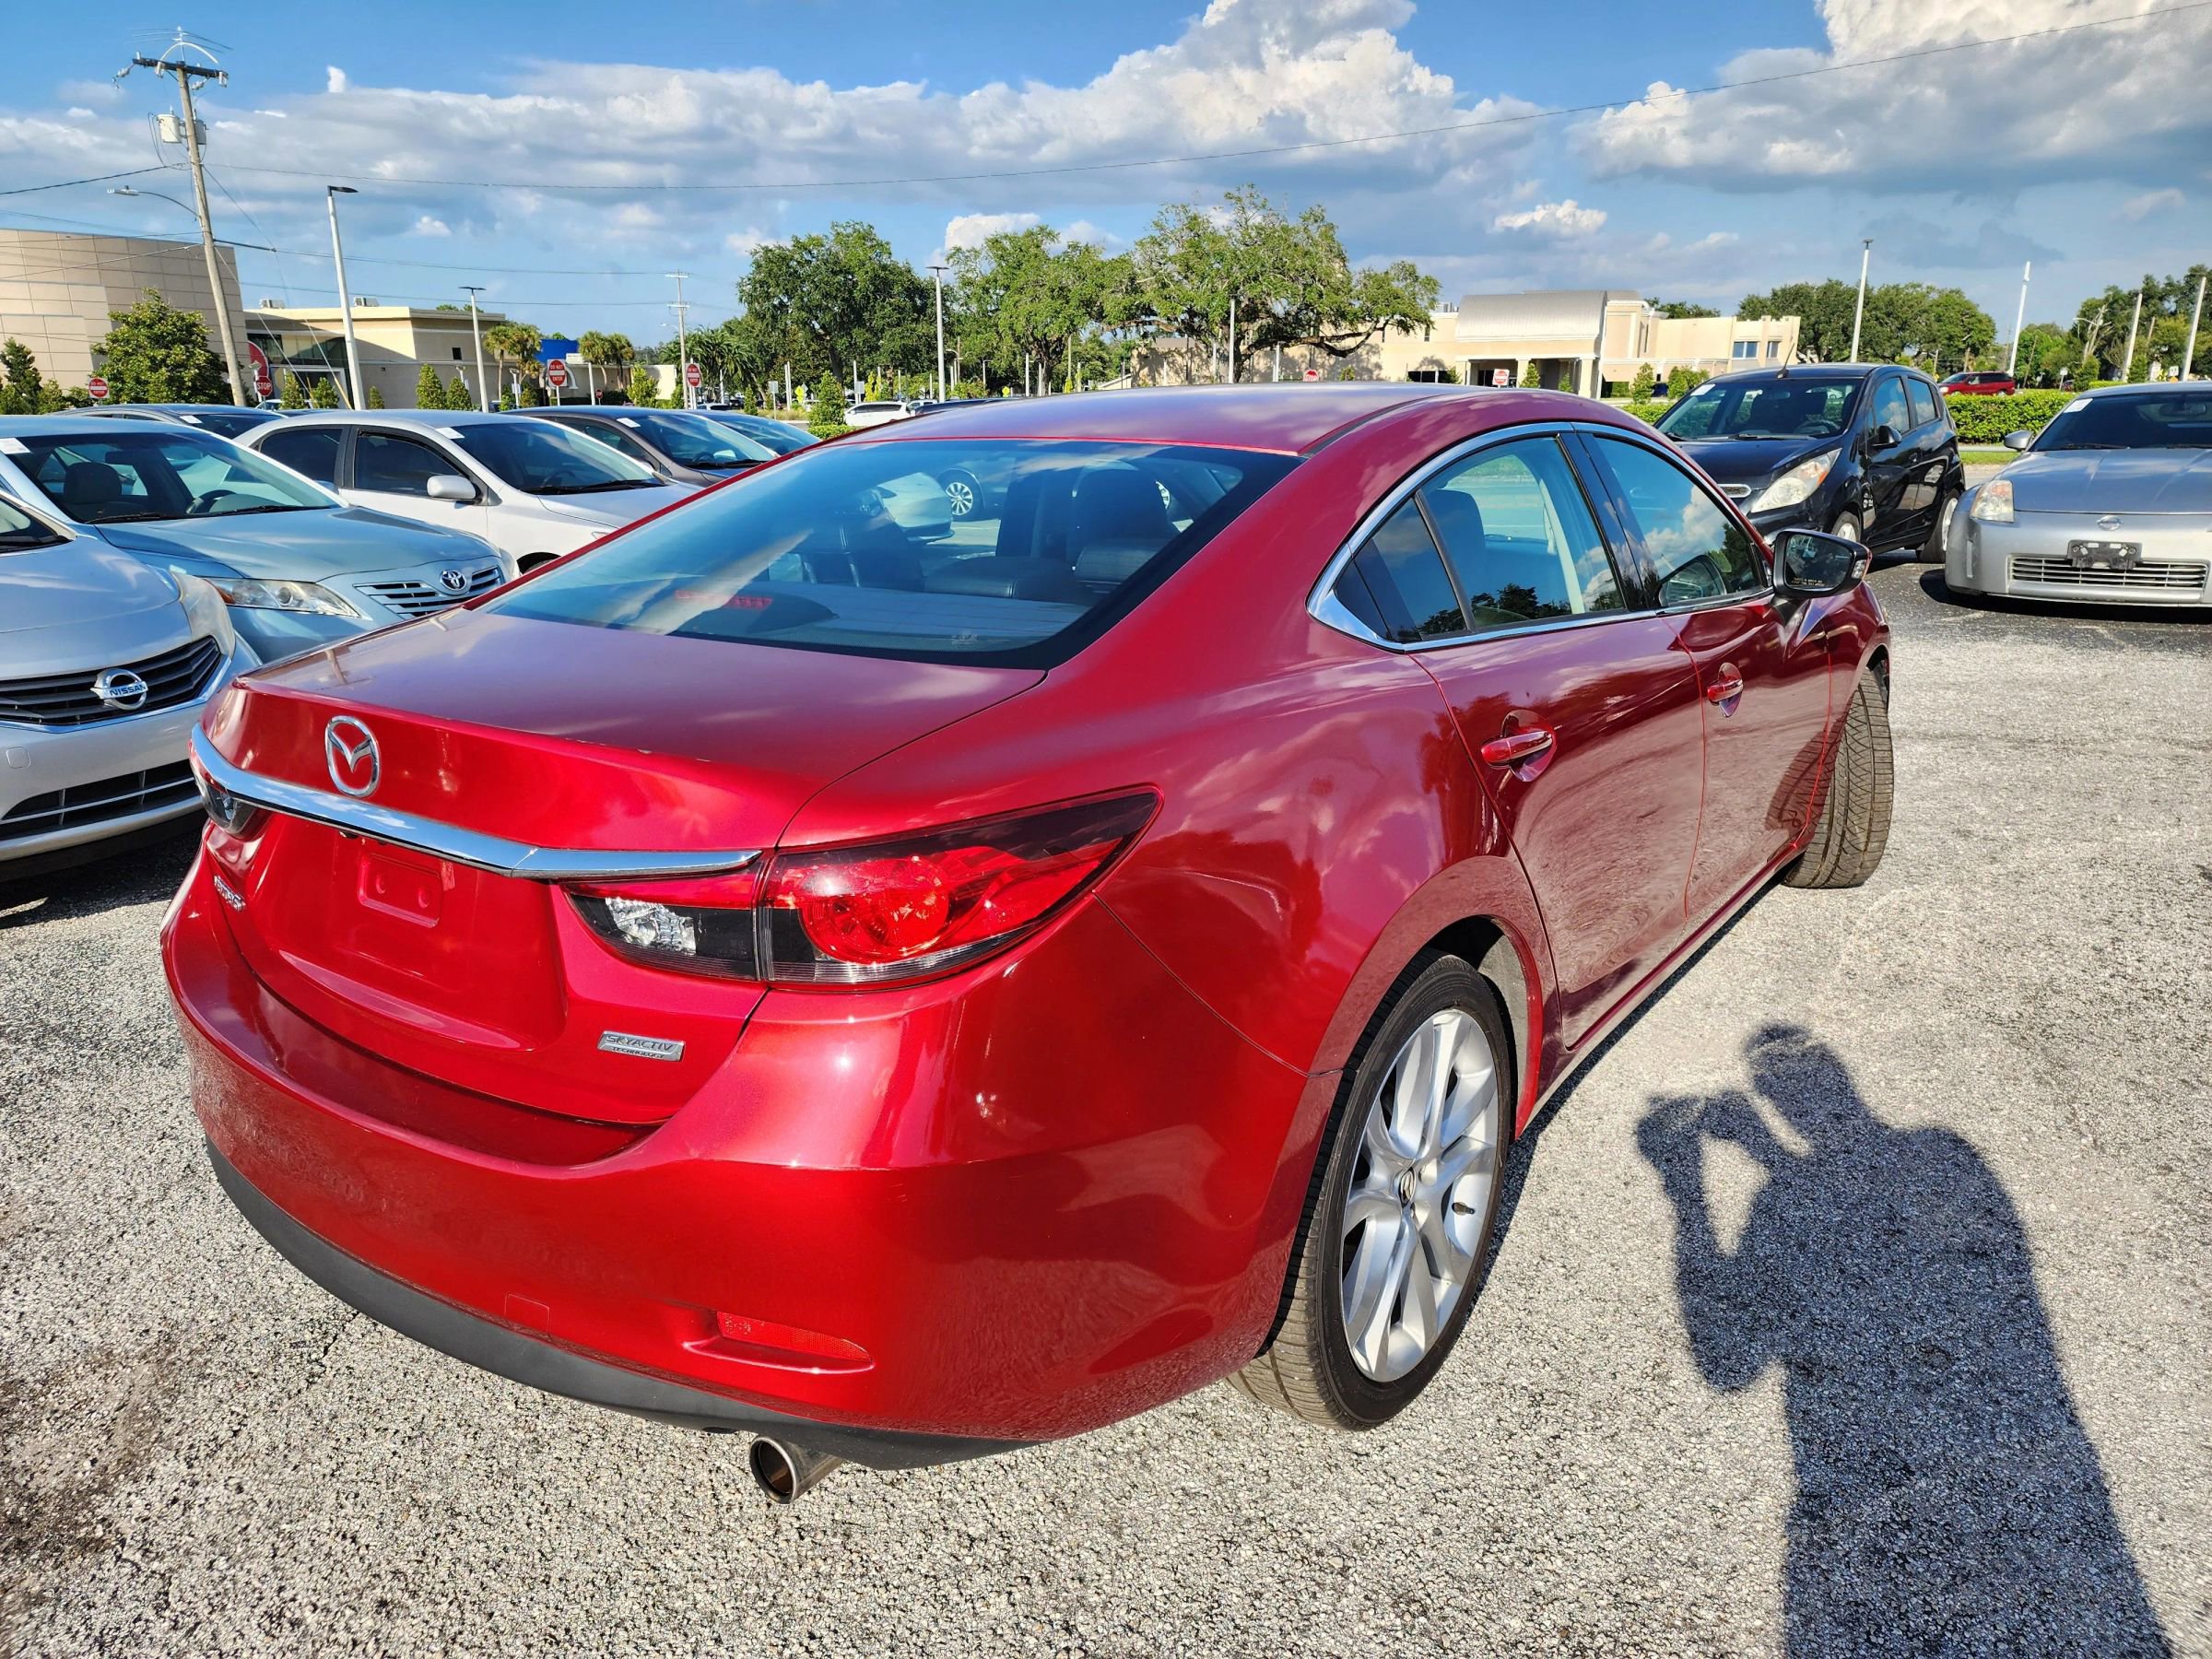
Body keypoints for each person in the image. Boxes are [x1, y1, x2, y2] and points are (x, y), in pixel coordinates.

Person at [1638, 1025, 2169, 1655]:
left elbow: (1727, 1365)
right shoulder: (1945, 1155)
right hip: (2030, 1495)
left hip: (1846, 1512)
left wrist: (1688, 1190)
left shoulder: (1794, 1197)